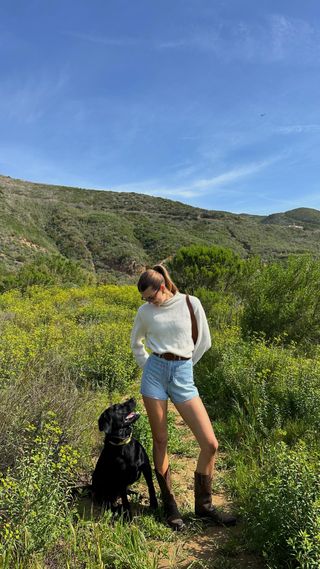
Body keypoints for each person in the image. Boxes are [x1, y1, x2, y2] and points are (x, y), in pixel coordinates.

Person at [130, 264, 236, 530]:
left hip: (183, 375)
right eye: (144, 299)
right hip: (154, 374)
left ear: (162, 287)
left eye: (151, 296)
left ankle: (204, 506)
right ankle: (171, 507)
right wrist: (149, 367)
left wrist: (185, 365)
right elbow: (136, 343)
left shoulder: (191, 303)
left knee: (210, 443)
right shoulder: (145, 312)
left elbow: (204, 341)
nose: (148, 302)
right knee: (161, 439)